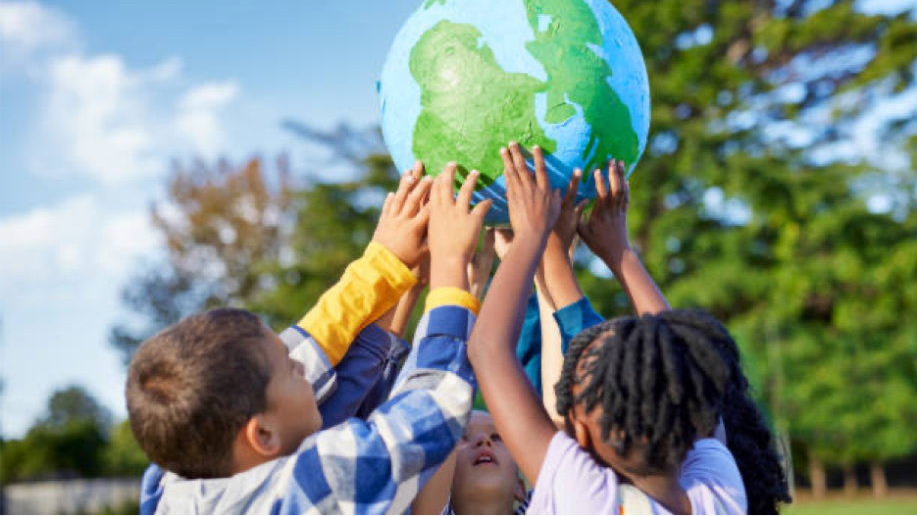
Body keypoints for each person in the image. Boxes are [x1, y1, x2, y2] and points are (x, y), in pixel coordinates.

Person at [129, 163, 491, 516]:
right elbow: (429, 413)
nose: (306, 366)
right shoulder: (313, 491)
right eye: (291, 370)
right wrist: (450, 269)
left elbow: (310, 366)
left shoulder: (175, 480)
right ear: (263, 435)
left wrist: (383, 266)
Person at [469, 142, 747, 516]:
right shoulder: (720, 494)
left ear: (579, 436)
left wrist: (544, 240)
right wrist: (548, 243)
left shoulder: (586, 497)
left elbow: (488, 350)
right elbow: (489, 350)